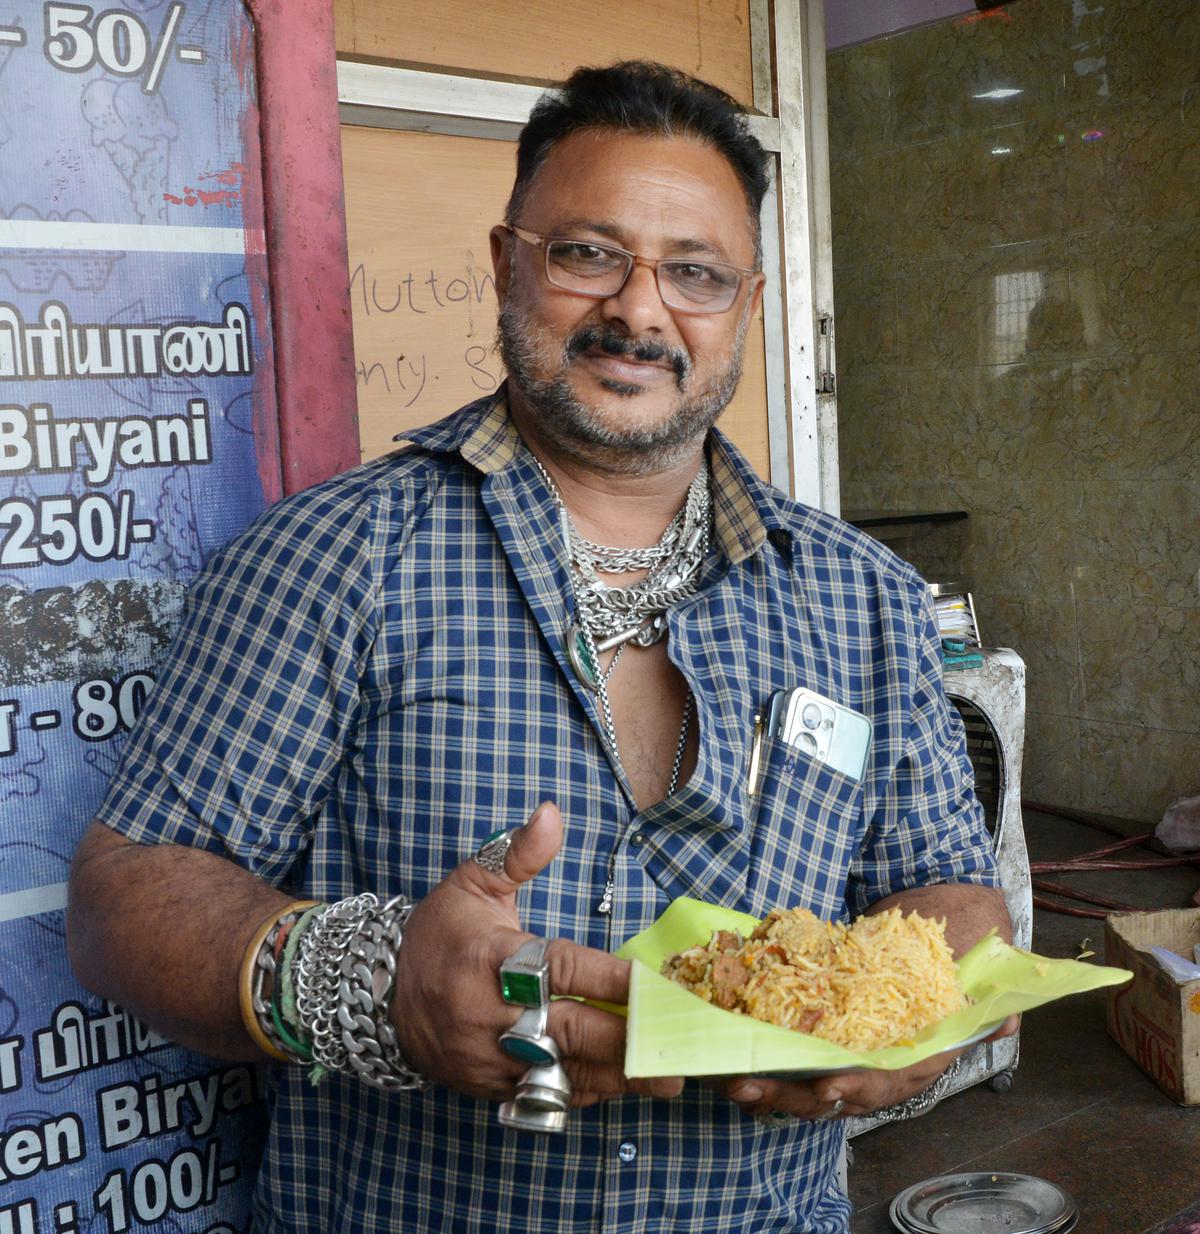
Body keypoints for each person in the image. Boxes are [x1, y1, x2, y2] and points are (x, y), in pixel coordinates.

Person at [67, 60, 1013, 1234]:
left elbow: (953, 896)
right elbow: (126, 897)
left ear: (750, 306)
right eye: (587, 255)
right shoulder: (336, 555)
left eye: (695, 273)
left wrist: (921, 1019)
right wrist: (363, 980)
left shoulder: (862, 596)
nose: (640, 309)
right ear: (508, 263)